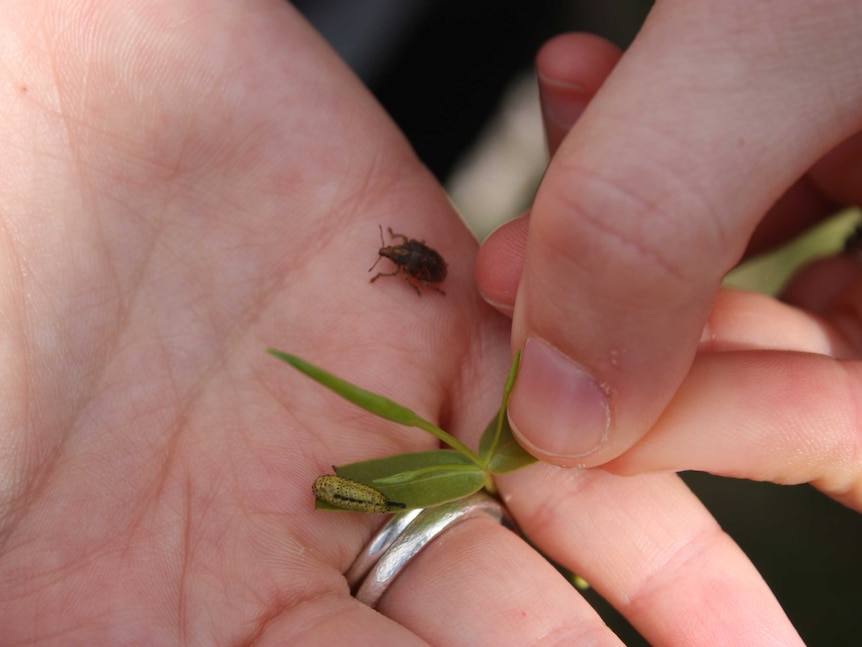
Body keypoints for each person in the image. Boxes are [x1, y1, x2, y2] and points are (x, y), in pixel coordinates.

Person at [0, 2, 840, 645]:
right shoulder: (403, 258)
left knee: (452, 72)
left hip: (430, 35)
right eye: (399, 260)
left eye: (398, 259)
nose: (399, 262)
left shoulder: (406, 257)